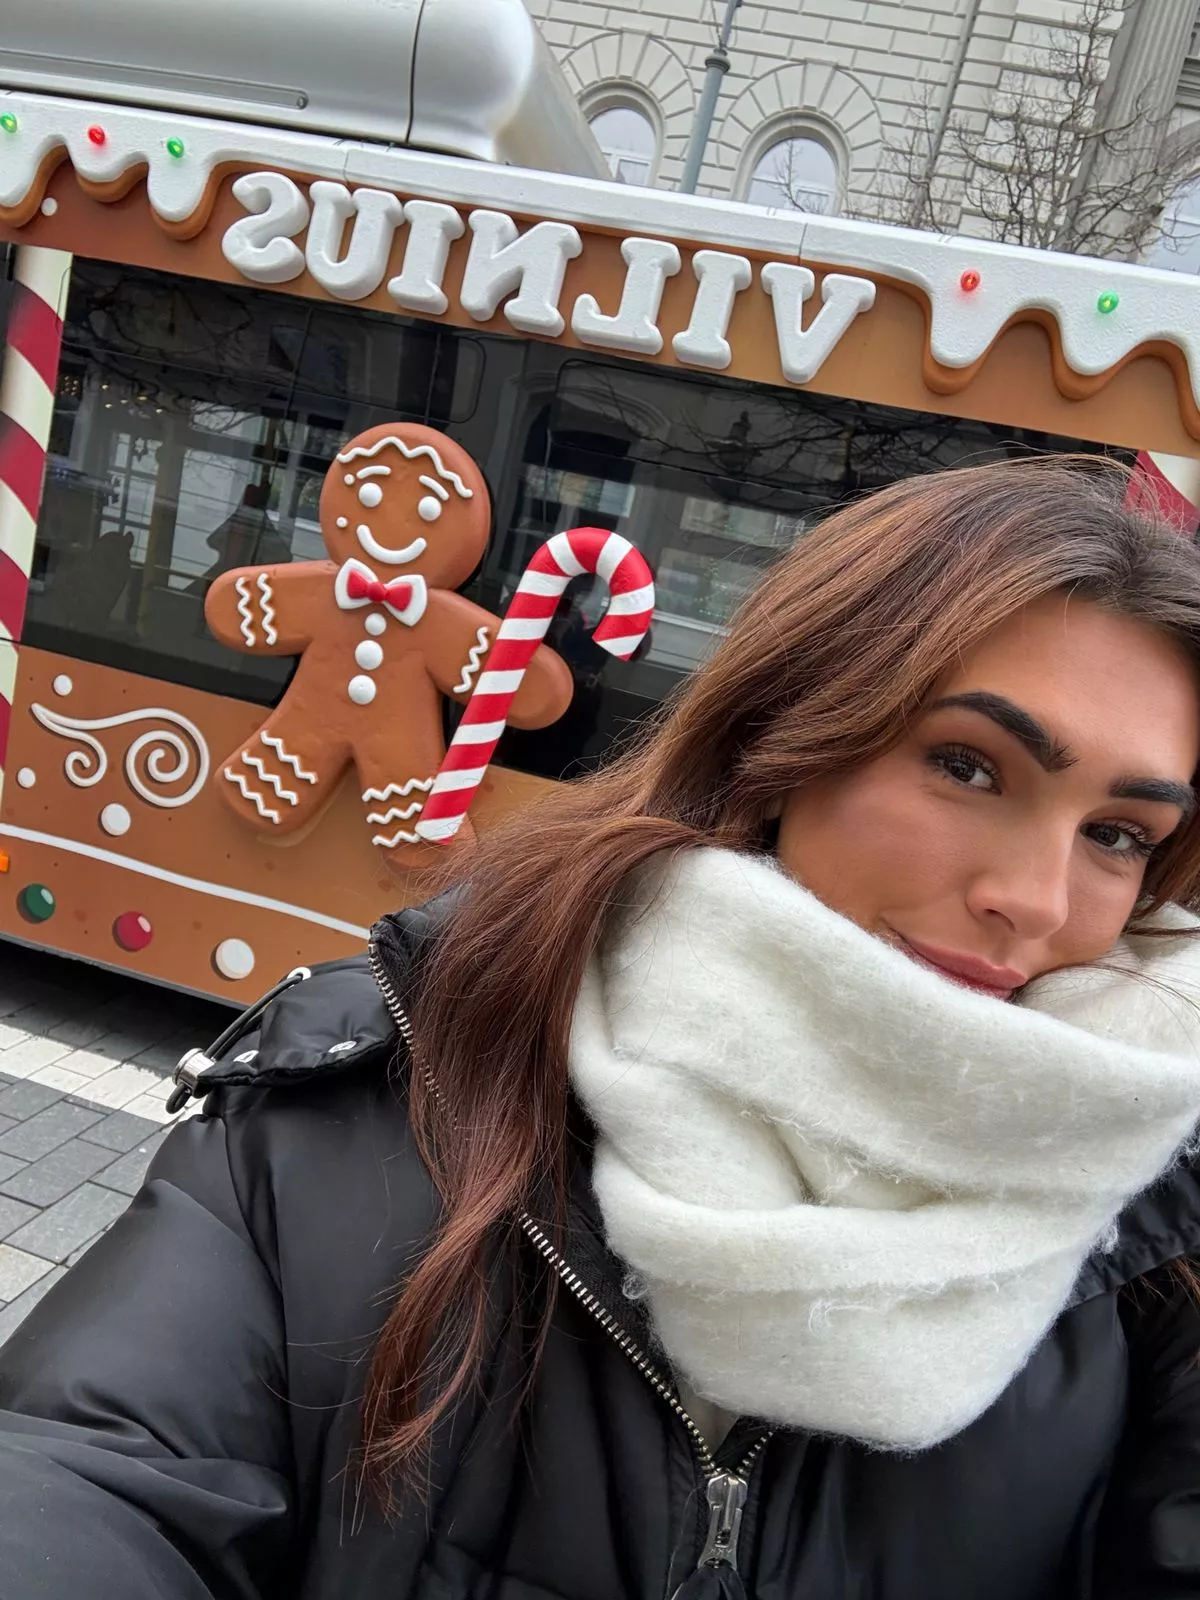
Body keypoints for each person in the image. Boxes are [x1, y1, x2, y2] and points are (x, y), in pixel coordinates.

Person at [3, 456, 1200, 1599]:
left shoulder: (1153, 1215)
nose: (1036, 900)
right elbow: (95, 1472)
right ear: (780, 739)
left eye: (1118, 834)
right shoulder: (379, 1091)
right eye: (967, 766)